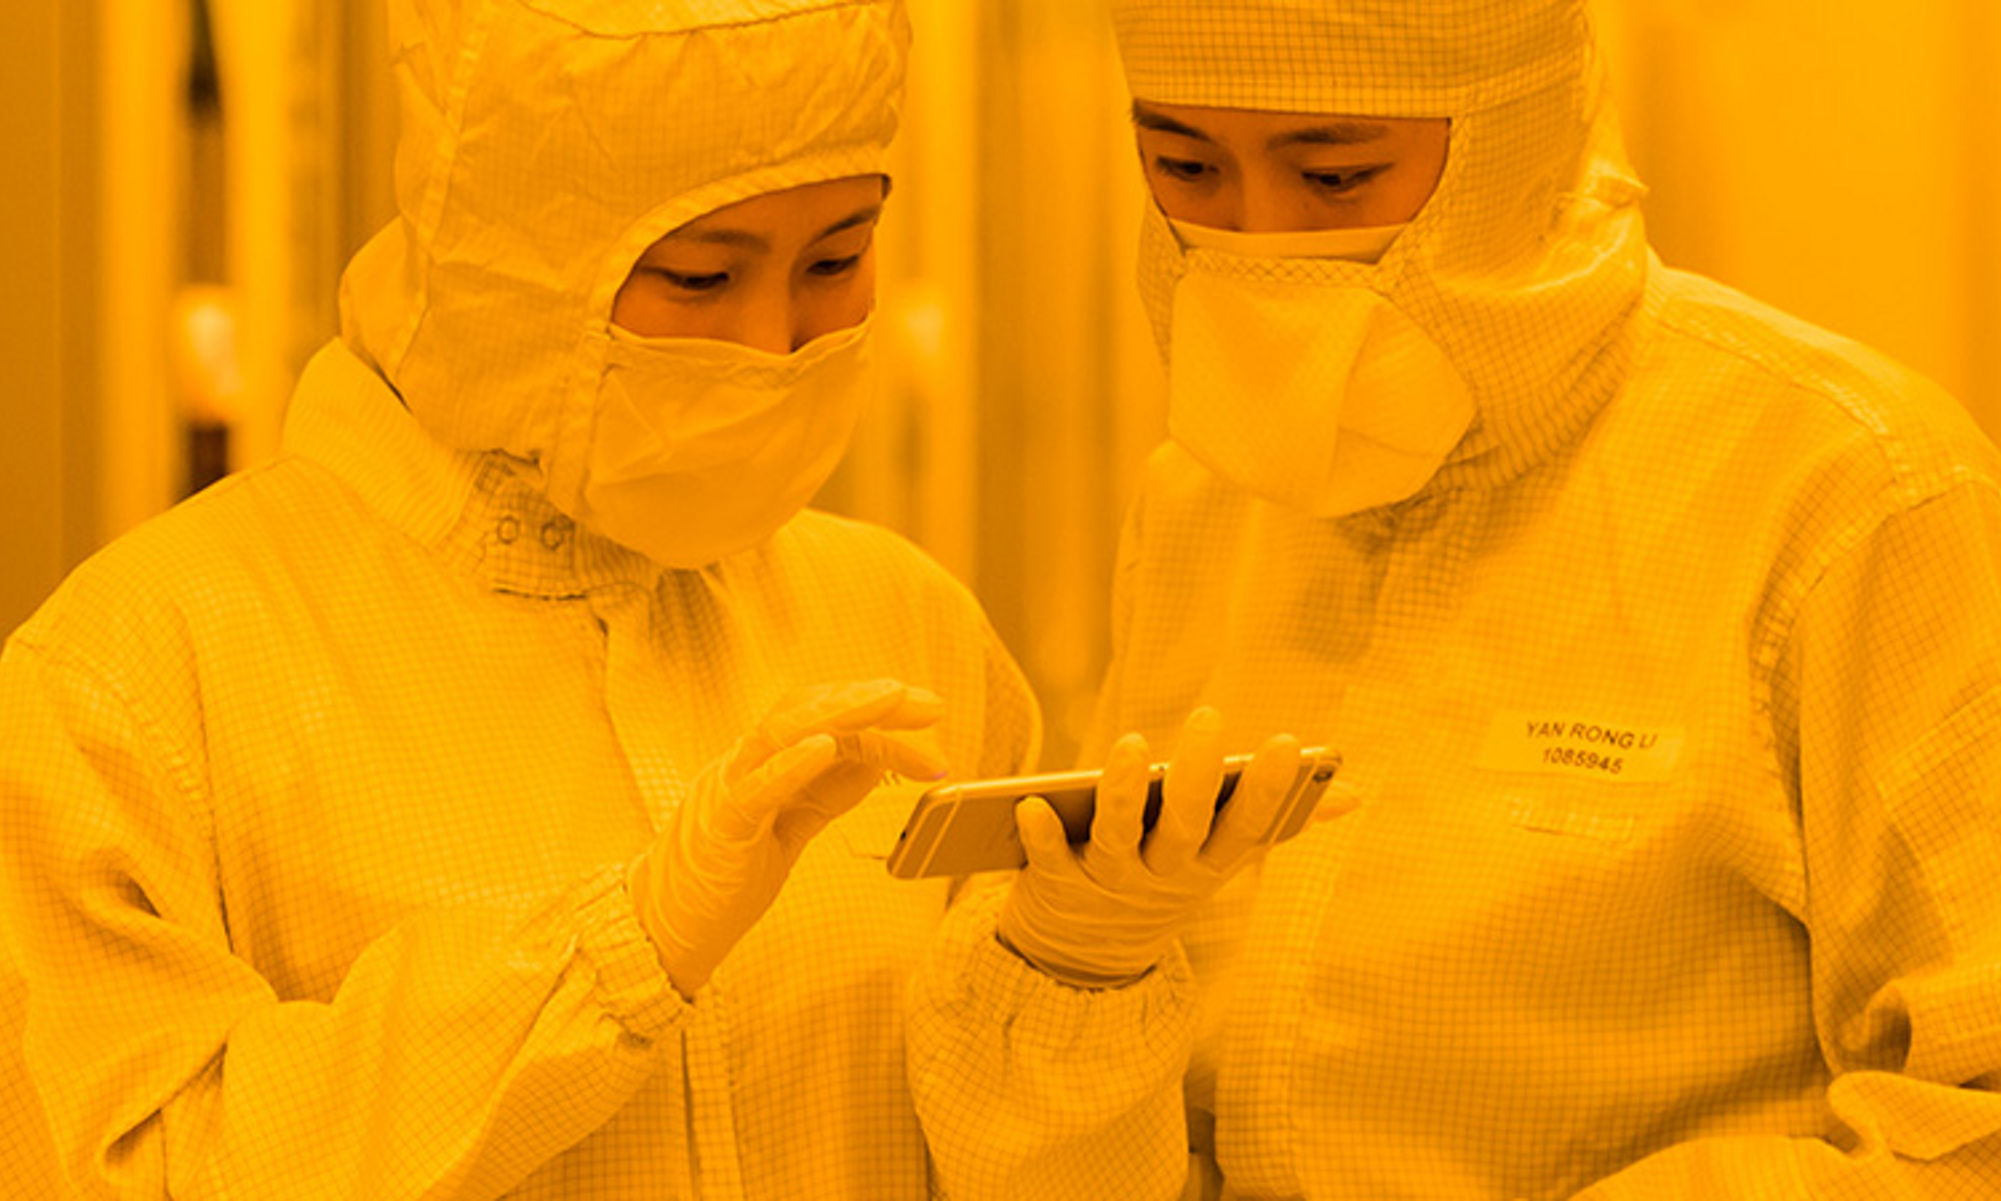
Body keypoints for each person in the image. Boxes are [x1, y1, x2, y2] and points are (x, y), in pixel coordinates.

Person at [908, 1, 2001, 1197]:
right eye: (1184, 165)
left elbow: (1969, 1118)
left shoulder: (1848, 488)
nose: (1256, 239)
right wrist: (1080, 976)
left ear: (1517, 141)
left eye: (1335, 174)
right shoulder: (1203, 503)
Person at [0, 0, 1044, 1196]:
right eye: (700, 276)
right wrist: (620, 955)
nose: (773, 343)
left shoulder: (903, 619)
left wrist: (1082, 976)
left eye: (835, 259)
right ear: (511, 269)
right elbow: (129, 1169)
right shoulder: (144, 673)